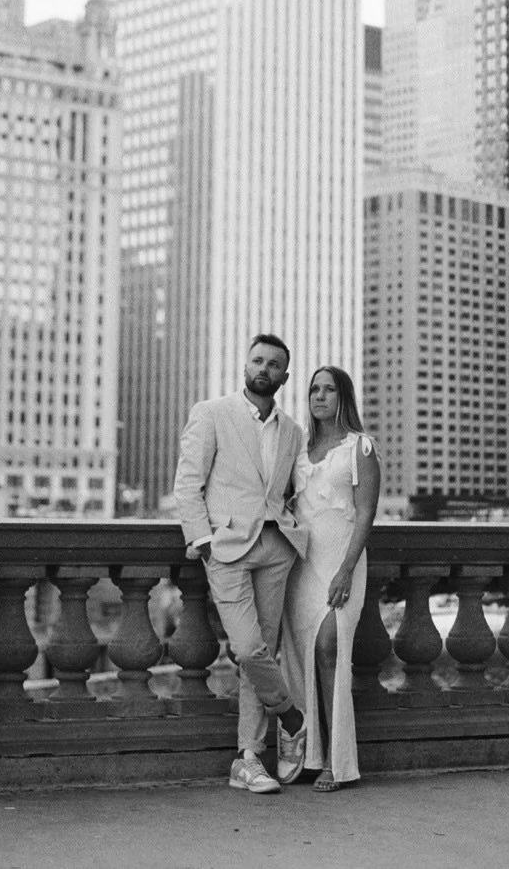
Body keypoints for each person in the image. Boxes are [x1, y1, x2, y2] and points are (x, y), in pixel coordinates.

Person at [174, 333, 308, 795]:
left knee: (262, 653)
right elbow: (187, 484)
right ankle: (292, 717)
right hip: (227, 547)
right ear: (245, 366)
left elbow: (292, 489)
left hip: (277, 549)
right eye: (257, 361)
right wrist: (204, 542)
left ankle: (248, 759)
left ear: (284, 377)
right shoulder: (212, 413)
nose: (264, 369)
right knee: (249, 648)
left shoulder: (292, 430)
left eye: (274, 364)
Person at [279, 365, 380, 792]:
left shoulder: (361, 448)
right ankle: (308, 755)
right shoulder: (299, 452)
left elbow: (366, 515)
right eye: (314, 390)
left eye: (329, 390)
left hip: (342, 565)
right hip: (301, 569)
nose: (320, 396)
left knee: (329, 648)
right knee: (300, 659)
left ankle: (338, 763)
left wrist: (346, 568)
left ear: (344, 397)